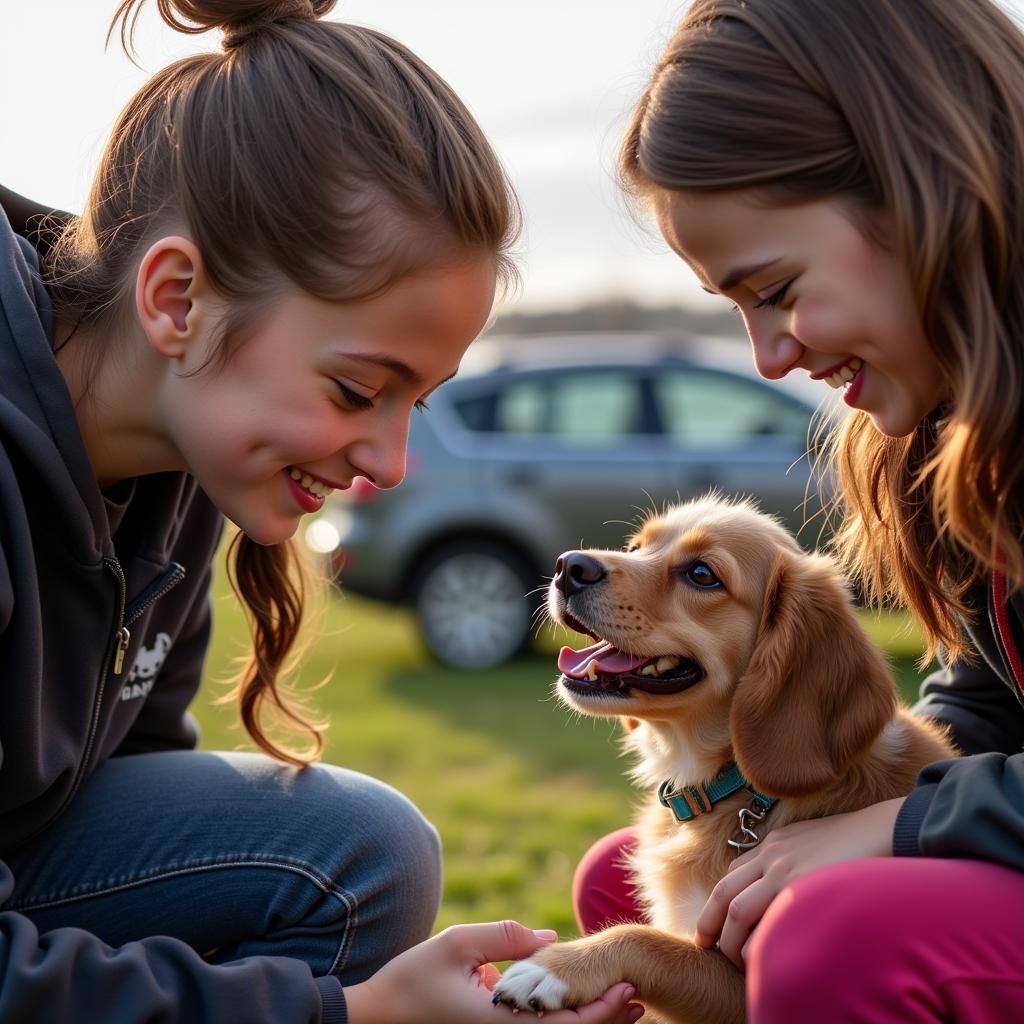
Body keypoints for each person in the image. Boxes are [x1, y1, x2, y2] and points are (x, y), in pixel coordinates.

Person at [0, 3, 650, 1023]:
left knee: (364, 850)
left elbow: (145, 805)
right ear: (177, 301)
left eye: (414, 404)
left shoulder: (184, 460)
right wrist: (345, 1015)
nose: (387, 463)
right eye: (357, 389)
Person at [571, 0, 1024, 1020]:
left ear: (925, 190)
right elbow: (993, 700)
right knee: (638, 880)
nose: (769, 355)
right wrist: (826, 794)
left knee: (833, 929)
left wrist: (905, 823)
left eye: (775, 288)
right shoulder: (947, 432)